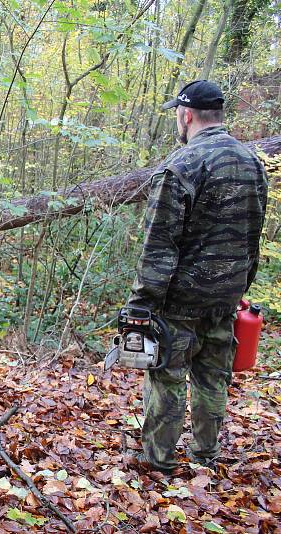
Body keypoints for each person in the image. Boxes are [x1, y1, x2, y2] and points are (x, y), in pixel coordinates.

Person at [126, 80, 268, 474]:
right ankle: (206, 455)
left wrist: (141, 304)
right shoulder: (251, 162)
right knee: (213, 377)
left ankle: (160, 460)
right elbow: (253, 234)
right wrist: (240, 286)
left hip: (182, 299)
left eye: (178, 112)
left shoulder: (182, 165)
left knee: (168, 377)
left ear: (186, 115)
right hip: (227, 296)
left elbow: (159, 246)